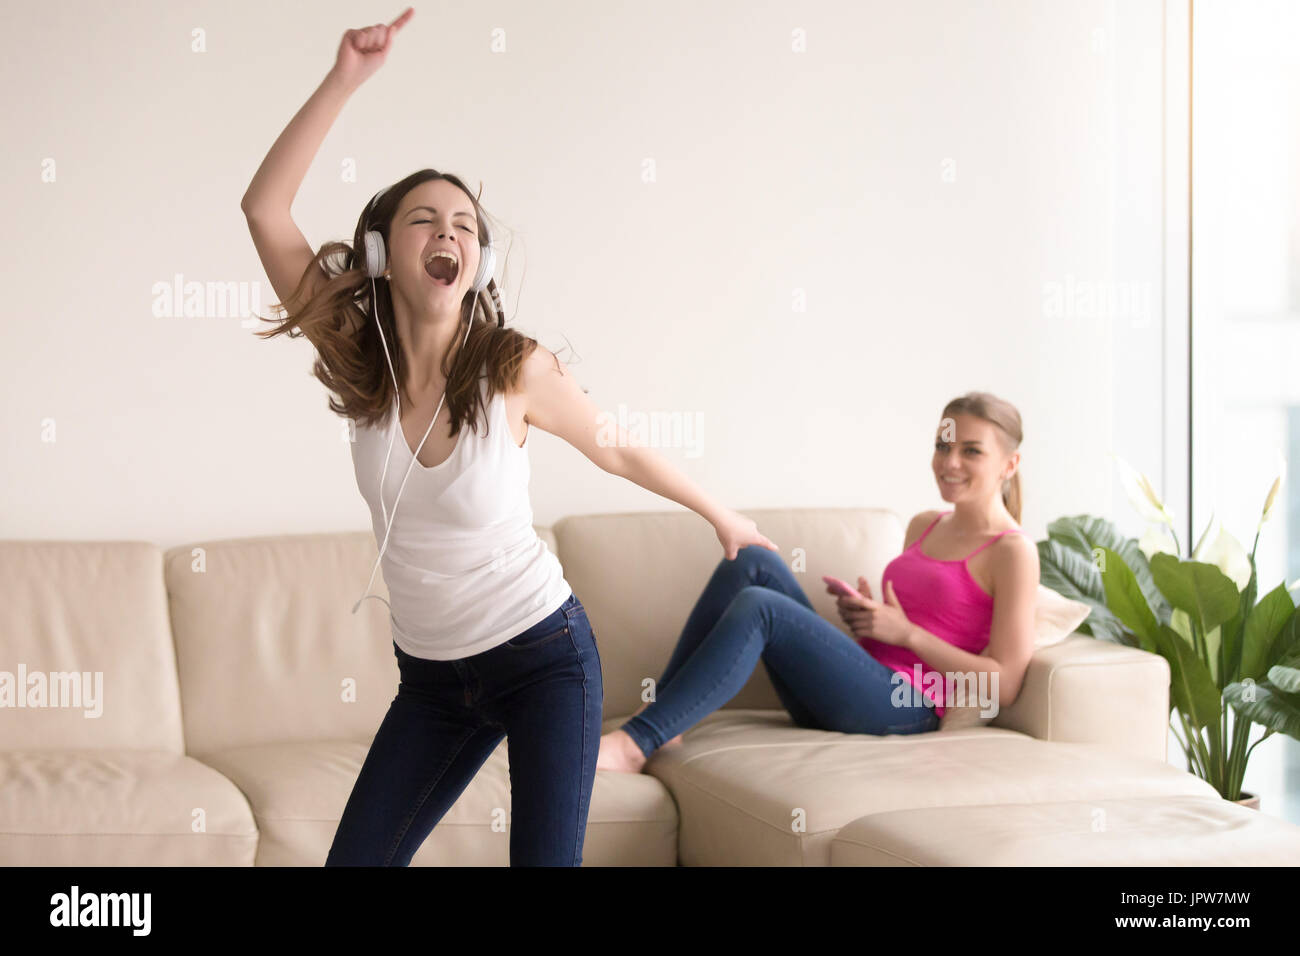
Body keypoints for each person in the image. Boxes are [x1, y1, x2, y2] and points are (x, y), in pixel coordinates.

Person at [240, 8, 776, 866]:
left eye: (464, 224)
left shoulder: (510, 370)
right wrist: (345, 79)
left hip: (544, 661)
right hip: (431, 682)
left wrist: (724, 516)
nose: (448, 231)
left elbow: (618, 446)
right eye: (424, 219)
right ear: (382, 254)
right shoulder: (360, 360)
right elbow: (265, 207)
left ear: (478, 261)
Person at [597, 392, 1041, 772]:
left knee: (761, 607)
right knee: (751, 560)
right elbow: (909, 623)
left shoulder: (1012, 552)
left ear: (1010, 463)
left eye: (971, 450)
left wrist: (907, 633)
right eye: (943, 447)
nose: (950, 462)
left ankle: (638, 742)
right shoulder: (925, 524)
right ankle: (665, 717)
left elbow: (1002, 685)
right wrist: (868, 619)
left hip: (910, 708)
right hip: (860, 684)